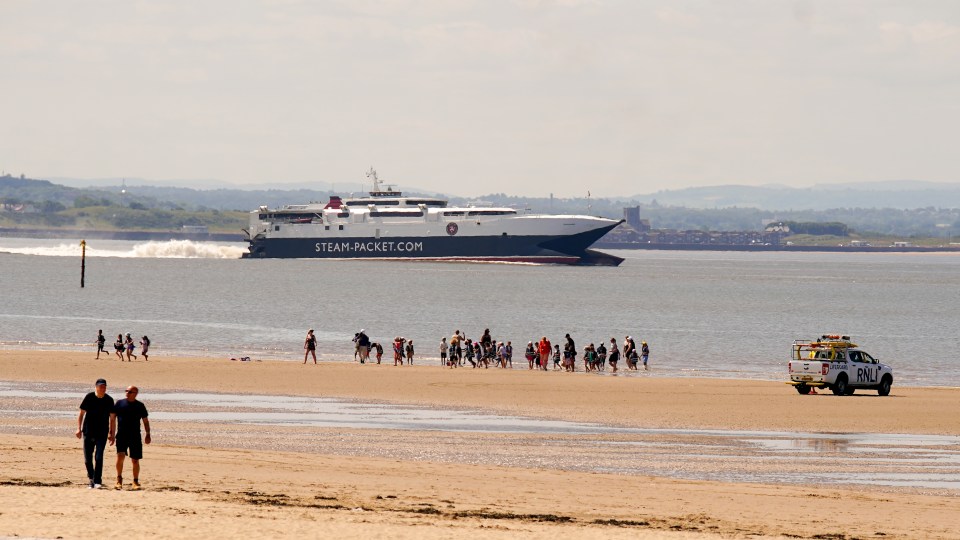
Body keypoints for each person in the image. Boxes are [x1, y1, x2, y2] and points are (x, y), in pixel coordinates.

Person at [110, 385, 150, 491]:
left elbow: (145, 421)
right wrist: (111, 434)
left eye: (130, 391)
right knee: (120, 456)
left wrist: (148, 434)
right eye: (126, 391)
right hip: (122, 435)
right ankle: (119, 479)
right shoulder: (119, 403)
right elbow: (112, 419)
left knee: (135, 460)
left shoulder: (140, 406)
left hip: (135, 436)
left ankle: (135, 481)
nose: (127, 393)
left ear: (135, 393)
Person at [77, 378, 114, 488]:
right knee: (87, 458)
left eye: (104, 386)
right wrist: (78, 429)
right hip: (88, 431)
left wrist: (112, 434)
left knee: (98, 457)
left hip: (102, 433)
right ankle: (91, 479)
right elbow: (81, 414)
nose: (102, 388)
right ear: (96, 387)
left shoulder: (109, 400)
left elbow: (112, 419)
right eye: (100, 386)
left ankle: (97, 481)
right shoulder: (89, 397)